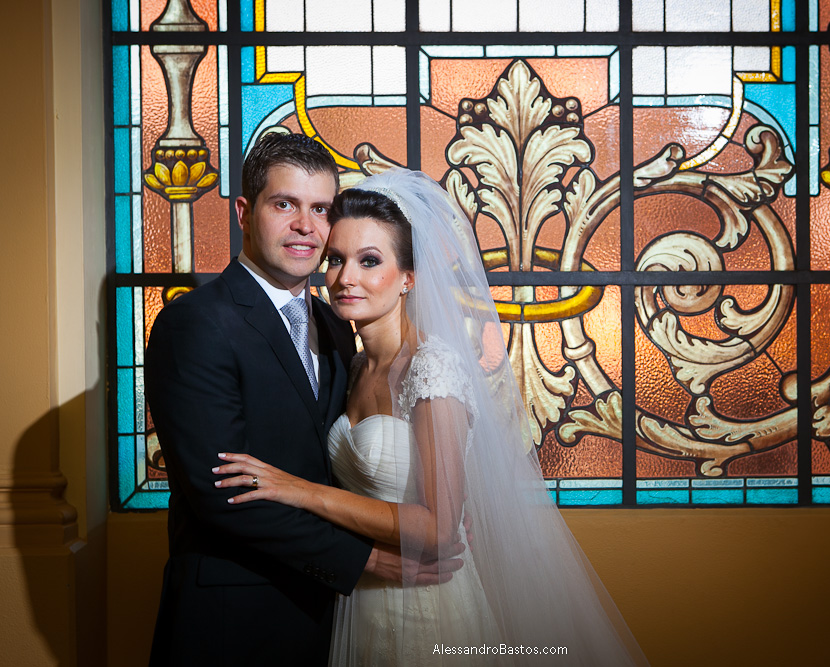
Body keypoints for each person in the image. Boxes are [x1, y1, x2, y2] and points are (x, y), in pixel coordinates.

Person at [214, 168, 649, 665]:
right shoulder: (350, 363)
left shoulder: (432, 368)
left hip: (424, 607)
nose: (345, 278)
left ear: (408, 279)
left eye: (369, 261)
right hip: (355, 601)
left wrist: (297, 490)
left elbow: (442, 529)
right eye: (336, 260)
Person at [145, 135, 458, 666]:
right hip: (236, 619)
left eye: (321, 210)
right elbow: (223, 494)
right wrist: (366, 559)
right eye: (284, 204)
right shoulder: (195, 323)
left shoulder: (337, 328)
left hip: (335, 619)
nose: (305, 227)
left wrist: (430, 514)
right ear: (245, 212)